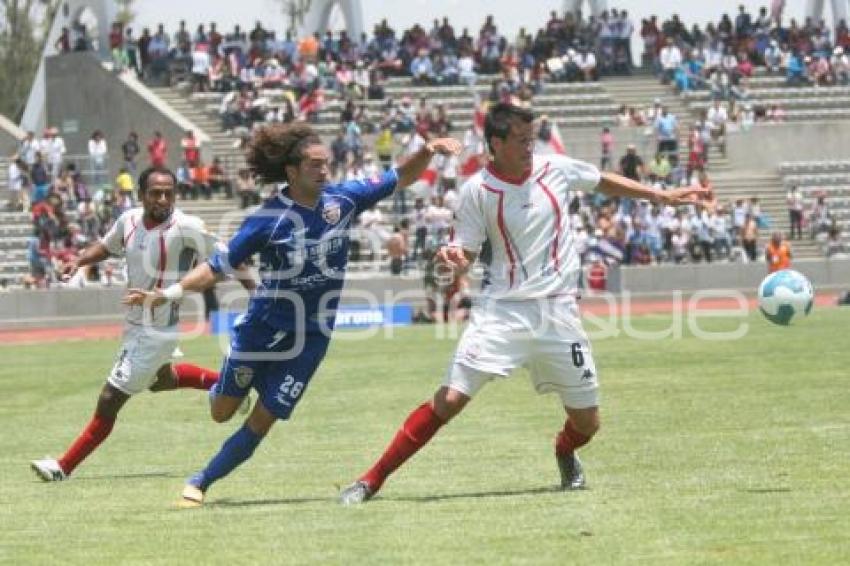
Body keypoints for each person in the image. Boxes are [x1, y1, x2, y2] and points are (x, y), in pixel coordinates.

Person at [338, 103, 706, 504]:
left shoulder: (556, 170)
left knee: (588, 424)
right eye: (521, 140)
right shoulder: (477, 190)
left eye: (532, 138)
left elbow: (601, 181)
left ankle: (564, 451)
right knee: (449, 399)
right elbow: (466, 248)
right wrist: (455, 258)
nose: (530, 146)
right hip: (502, 310)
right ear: (495, 143)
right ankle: (370, 480)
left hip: (558, 312)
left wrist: (660, 195)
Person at [123, 123, 461, 506]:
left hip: (311, 338)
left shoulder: (345, 199)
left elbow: (399, 177)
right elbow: (218, 266)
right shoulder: (267, 220)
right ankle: (224, 385)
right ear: (292, 171)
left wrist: (428, 150)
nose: (324, 171)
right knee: (221, 412)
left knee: (263, 420)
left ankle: (200, 481)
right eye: (315, 165)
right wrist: (169, 292)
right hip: (262, 328)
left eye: (326, 164)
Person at [29, 166, 254, 482]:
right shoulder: (129, 220)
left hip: (157, 330)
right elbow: (108, 246)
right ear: (141, 195)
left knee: (110, 399)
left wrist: (258, 294)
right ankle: (229, 387)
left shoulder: (187, 226)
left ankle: (62, 468)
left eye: (168, 193)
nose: (163, 199)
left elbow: (231, 256)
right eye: (155, 193)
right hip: (136, 323)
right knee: (162, 380)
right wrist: (79, 260)